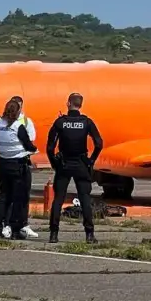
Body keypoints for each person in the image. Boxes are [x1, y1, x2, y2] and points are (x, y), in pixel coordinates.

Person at [45, 92, 103, 244]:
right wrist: (91, 161)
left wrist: (54, 163)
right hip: (81, 164)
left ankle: (54, 234)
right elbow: (99, 143)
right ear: (81, 105)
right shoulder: (86, 122)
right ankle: (89, 234)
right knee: (85, 199)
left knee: (58, 199)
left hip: (64, 164)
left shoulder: (60, 122)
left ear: (68, 103)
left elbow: (50, 147)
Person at [0, 96, 39, 240]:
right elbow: (28, 145)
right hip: (18, 164)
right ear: (18, 111)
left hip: (3, 163)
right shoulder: (18, 126)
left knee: (3, 196)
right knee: (19, 197)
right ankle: (16, 227)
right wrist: (34, 150)